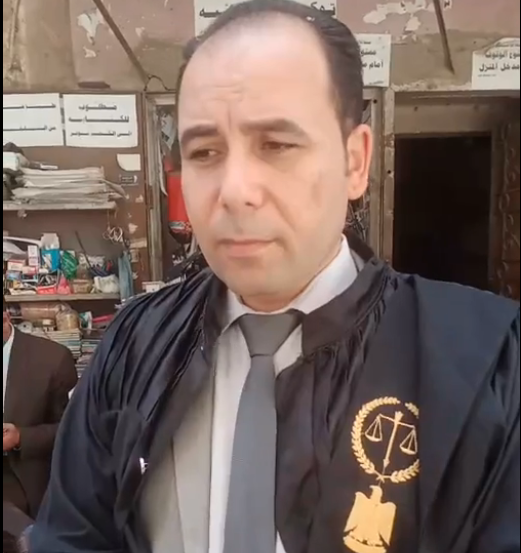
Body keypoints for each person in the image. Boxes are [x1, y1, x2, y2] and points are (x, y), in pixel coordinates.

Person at [30, 2, 520, 553]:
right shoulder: (136, 345)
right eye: (205, 151)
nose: (235, 190)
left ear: (356, 161)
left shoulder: (484, 362)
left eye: (277, 145)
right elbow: (71, 536)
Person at [3, 297, 78, 518]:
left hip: (20, 476)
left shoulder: (52, 359)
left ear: (5, 317)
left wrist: (20, 438)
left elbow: (72, 428)